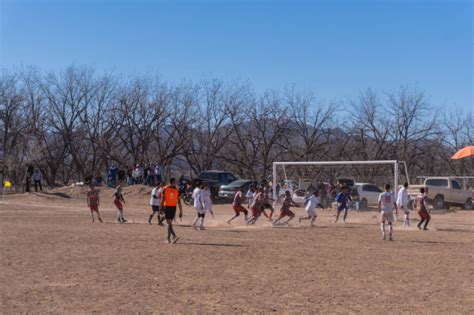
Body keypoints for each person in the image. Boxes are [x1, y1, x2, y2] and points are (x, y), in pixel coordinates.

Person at [161, 178, 183, 243]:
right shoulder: (176, 189)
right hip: (173, 207)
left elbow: (162, 199)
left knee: (169, 223)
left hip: (167, 206)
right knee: (169, 223)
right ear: (172, 182)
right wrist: (181, 211)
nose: (176, 183)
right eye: (175, 182)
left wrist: (160, 208)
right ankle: (168, 239)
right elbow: (179, 201)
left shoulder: (165, 188)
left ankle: (174, 236)